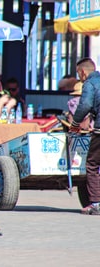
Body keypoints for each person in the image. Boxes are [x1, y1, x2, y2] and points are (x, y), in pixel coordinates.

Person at [69, 57, 100, 215]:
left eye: (78, 74)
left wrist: (75, 124)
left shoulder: (90, 83)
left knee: (92, 165)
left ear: (82, 72)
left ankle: (95, 203)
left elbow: (85, 105)